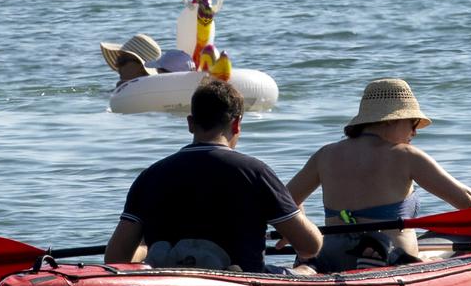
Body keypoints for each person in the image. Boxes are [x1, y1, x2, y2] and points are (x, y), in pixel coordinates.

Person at [286, 78, 471, 273]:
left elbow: (284, 201)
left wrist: (298, 232)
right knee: (455, 238)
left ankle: (305, 271)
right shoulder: (406, 155)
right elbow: (466, 199)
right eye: (412, 122)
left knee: (316, 262)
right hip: (389, 256)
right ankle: (371, 266)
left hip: (331, 252)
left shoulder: (326, 154)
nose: (415, 131)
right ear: (391, 121)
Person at [104, 79, 324, 273]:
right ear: (236, 124)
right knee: (308, 268)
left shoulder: (149, 177)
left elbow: (115, 259)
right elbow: (309, 247)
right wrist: (298, 215)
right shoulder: (256, 172)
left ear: (190, 123)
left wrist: (145, 248)